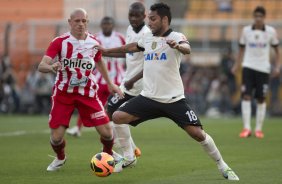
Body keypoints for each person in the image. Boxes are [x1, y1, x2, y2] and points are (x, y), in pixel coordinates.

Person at [97, 2, 239, 180]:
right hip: (148, 98)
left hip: (174, 100)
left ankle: (222, 165)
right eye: (149, 19)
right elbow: (130, 48)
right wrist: (105, 52)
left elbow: (187, 49)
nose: (149, 23)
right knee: (117, 116)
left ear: (164, 19)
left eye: (153, 19)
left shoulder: (177, 36)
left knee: (198, 134)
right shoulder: (147, 38)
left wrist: (177, 46)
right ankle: (128, 157)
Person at [38, 8, 124, 172]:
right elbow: (41, 65)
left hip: (88, 94)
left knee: (107, 132)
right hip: (63, 94)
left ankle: (106, 157)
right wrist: (51, 67)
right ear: (70, 22)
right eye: (77, 21)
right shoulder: (60, 41)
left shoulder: (94, 42)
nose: (80, 24)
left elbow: (99, 62)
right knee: (56, 138)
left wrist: (111, 83)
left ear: (87, 23)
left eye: (83, 21)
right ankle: (60, 158)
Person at [102, 2, 151, 170]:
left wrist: (133, 80)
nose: (134, 19)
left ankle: (128, 156)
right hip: (126, 83)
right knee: (107, 114)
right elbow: (126, 51)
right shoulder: (130, 30)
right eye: (131, 15)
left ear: (144, 16)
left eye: (137, 16)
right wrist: (104, 52)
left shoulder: (147, 34)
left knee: (115, 116)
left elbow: (151, 64)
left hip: (138, 87)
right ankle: (131, 151)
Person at [67, 16, 126, 137]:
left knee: (114, 107)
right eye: (104, 24)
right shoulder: (95, 38)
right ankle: (78, 128)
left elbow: (128, 53)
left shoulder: (120, 38)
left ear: (112, 25)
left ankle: (113, 132)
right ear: (101, 25)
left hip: (117, 80)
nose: (106, 26)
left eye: (109, 24)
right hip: (98, 79)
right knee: (89, 104)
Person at [232, 6, 280, 138]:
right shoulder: (246, 31)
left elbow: (277, 50)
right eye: (256, 16)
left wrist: (277, 66)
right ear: (254, 17)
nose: (258, 19)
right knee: (246, 96)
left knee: (261, 98)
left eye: (260, 16)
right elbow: (241, 49)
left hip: (263, 69)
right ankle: (246, 128)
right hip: (248, 66)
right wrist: (237, 65)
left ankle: (258, 129)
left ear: (264, 17)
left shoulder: (271, 31)